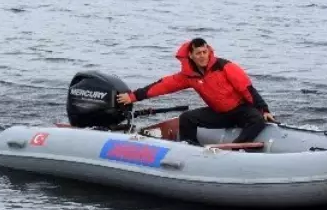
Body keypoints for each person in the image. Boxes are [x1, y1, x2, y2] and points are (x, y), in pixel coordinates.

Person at [116, 38, 274, 146]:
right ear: (191, 55)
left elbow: (247, 88)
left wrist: (264, 109)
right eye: (198, 53)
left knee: (258, 120)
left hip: (241, 110)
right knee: (186, 118)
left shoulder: (224, 66)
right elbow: (162, 86)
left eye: (205, 52)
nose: (202, 56)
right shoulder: (188, 76)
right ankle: (189, 147)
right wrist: (133, 97)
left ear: (208, 51)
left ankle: (237, 148)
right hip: (220, 114)